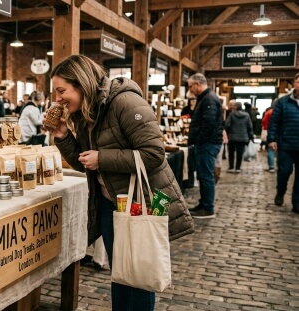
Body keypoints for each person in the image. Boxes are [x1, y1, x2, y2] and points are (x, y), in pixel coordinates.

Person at [45, 55, 193, 310]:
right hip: (110, 202)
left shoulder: (124, 101)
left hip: (138, 204)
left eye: (61, 91)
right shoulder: (85, 112)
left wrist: (103, 159)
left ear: (82, 83)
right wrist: (62, 136)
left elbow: (154, 153)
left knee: (137, 277)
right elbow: (84, 162)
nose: (57, 98)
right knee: (122, 272)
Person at [186, 73, 224, 219]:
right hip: (206, 143)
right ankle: (204, 204)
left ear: (198, 84)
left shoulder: (209, 99)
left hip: (208, 144)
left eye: (191, 87)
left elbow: (208, 124)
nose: (190, 90)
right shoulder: (206, 98)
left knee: (206, 176)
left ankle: (208, 208)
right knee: (203, 175)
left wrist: (199, 140)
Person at [267, 72, 299, 214]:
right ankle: (281, 191)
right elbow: (274, 122)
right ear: (295, 83)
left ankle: (297, 202)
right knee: (285, 171)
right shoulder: (283, 102)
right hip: (286, 144)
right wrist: (272, 139)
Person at [224, 101, 253, 174]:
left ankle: (231, 167)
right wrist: (250, 136)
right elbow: (250, 126)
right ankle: (238, 167)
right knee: (240, 153)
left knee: (231, 152)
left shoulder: (232, 114)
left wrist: (226, 133)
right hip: (243, 137)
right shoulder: (246, 115)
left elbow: (227, 125)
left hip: (232, 137)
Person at [262, 101, 275, 172]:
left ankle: (271, 166)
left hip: (271, 131)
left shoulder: (269, 112)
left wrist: (265, 128)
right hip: (282, 133)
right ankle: (281, 166)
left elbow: (264, 121)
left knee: (271, 149)